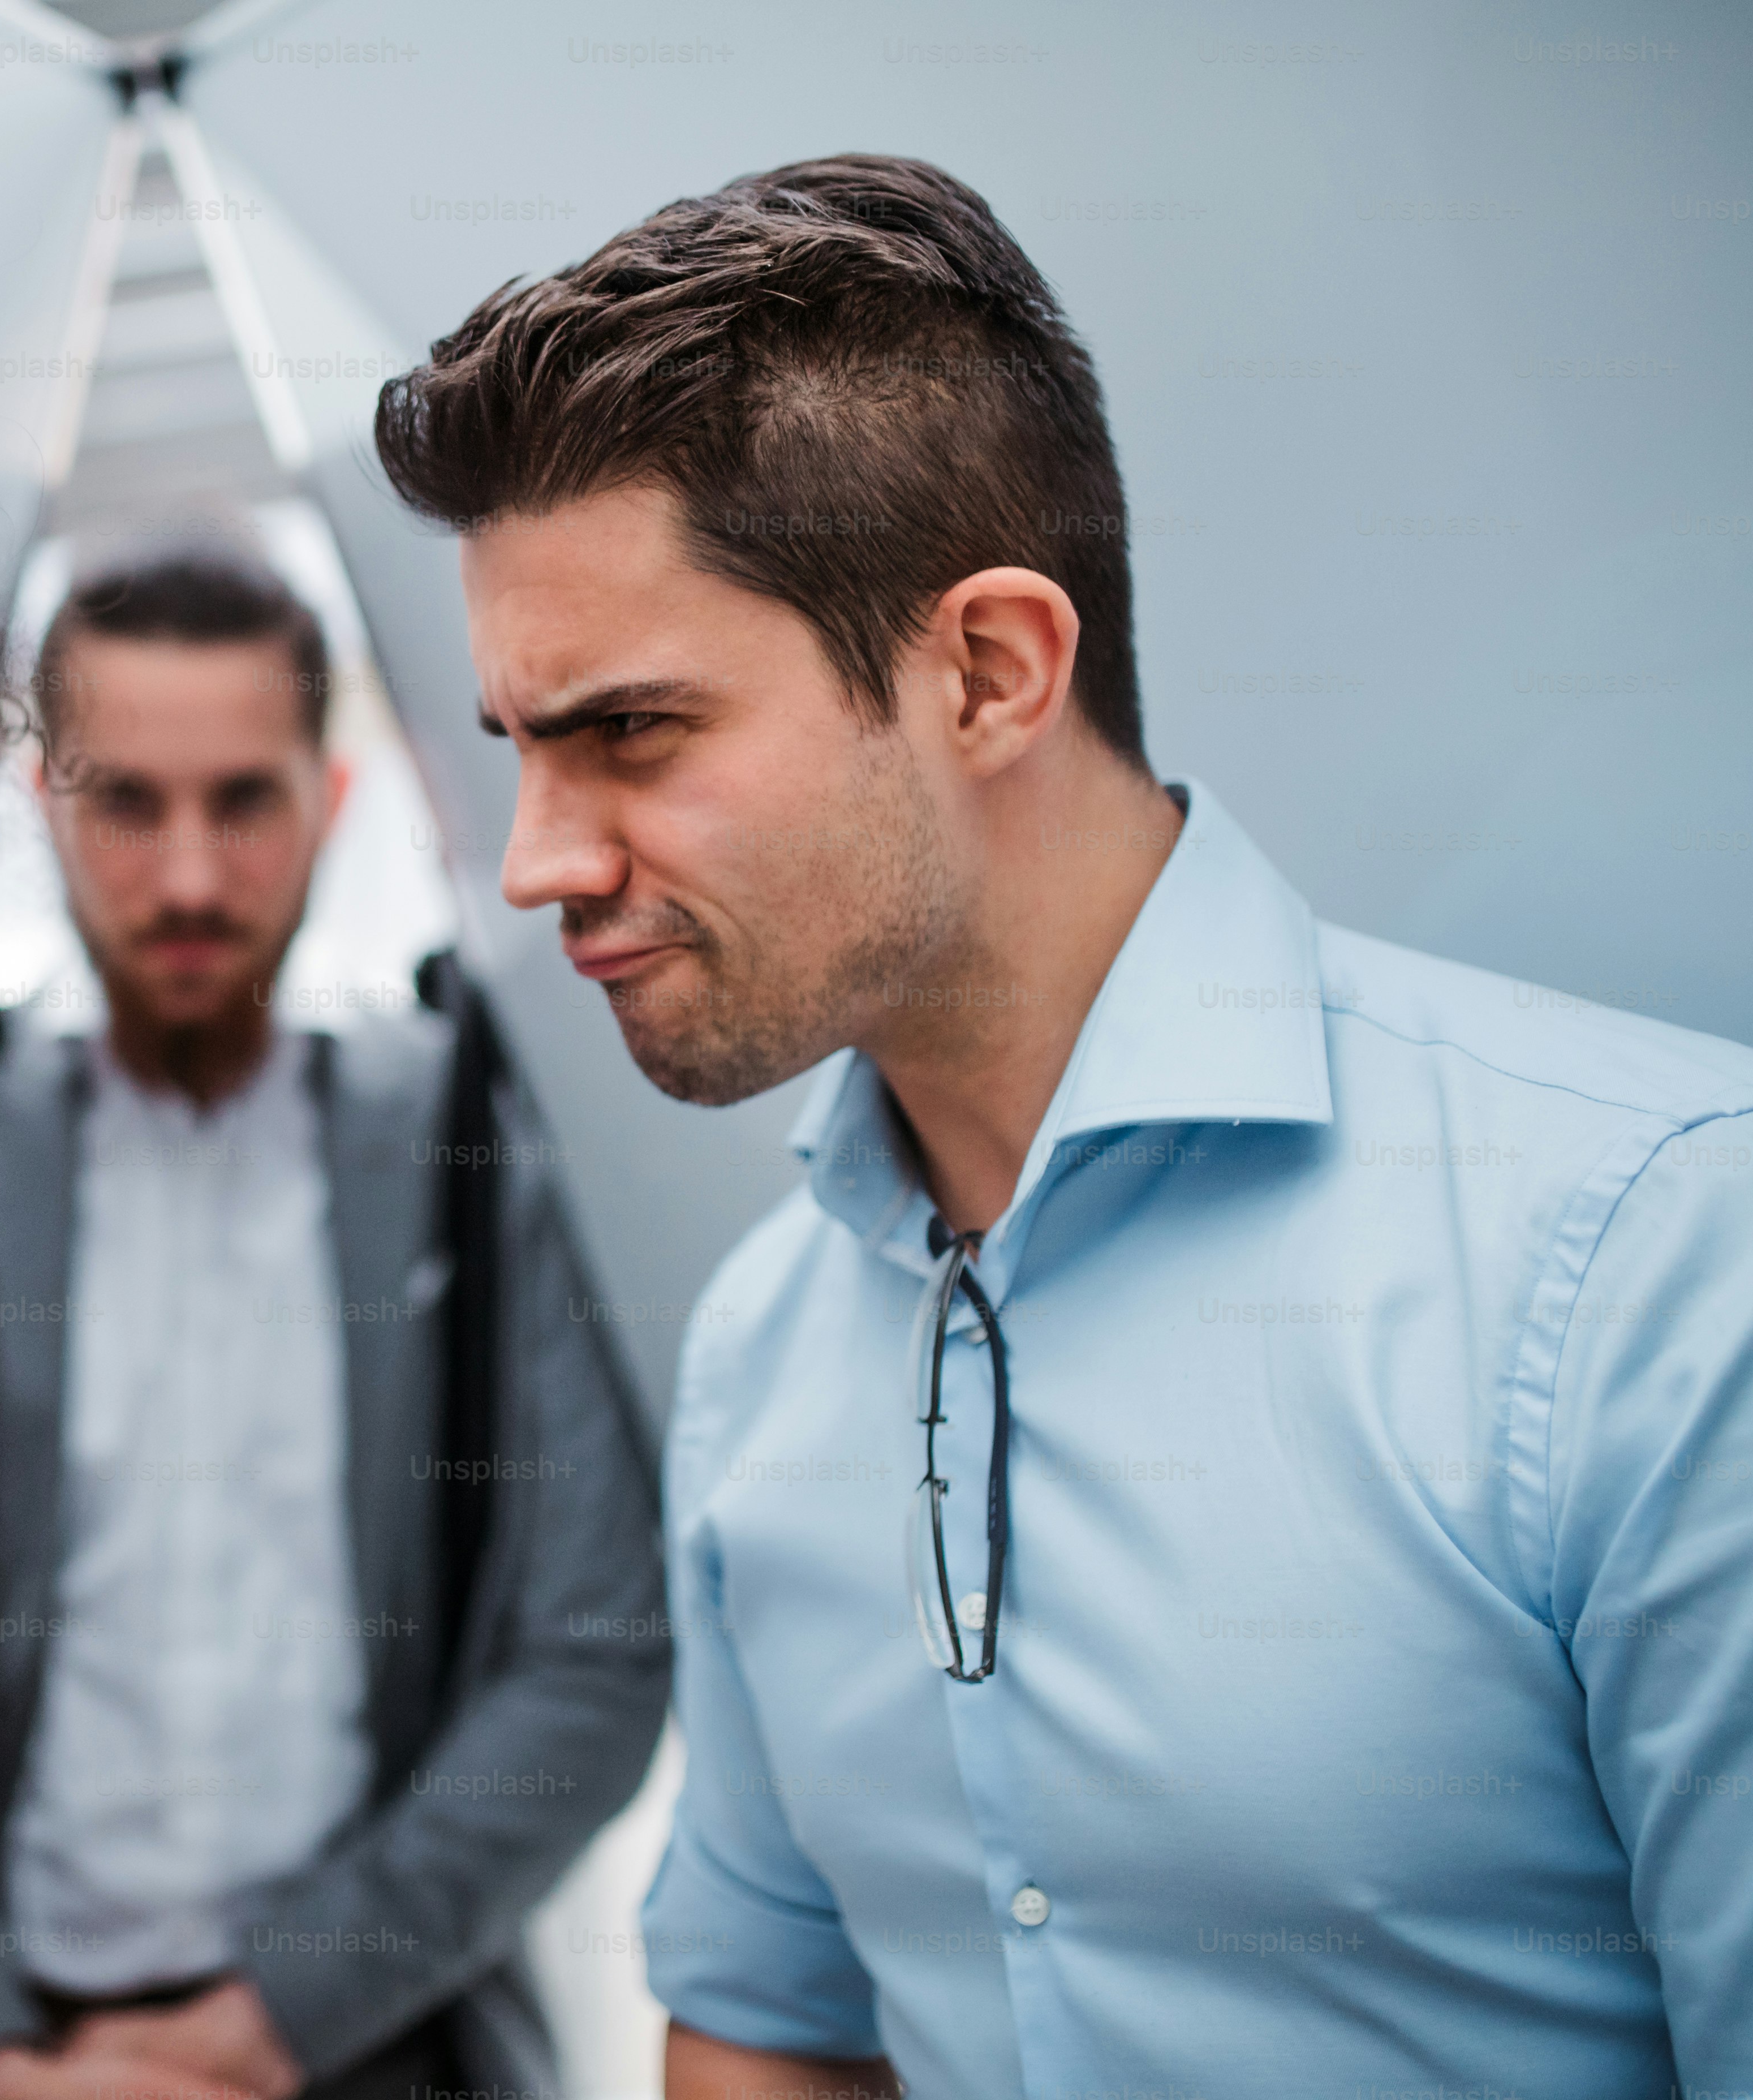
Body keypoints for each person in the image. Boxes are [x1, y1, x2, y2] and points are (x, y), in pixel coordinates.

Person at [374, 153, 1753, 2098]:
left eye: (633, 732)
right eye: (523, 750)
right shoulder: (766, 1356)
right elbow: (775, 2036)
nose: (535, 866)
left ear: (992, 671)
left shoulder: (1661, 1259)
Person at [0, 549, 671, 2100]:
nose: (188, 877)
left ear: (329, 803)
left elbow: (592, 1653)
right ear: (42, 801)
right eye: (129, 802)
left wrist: (262, 2031)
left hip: (377, 2040)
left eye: (243, 803)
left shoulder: (471, 1165)